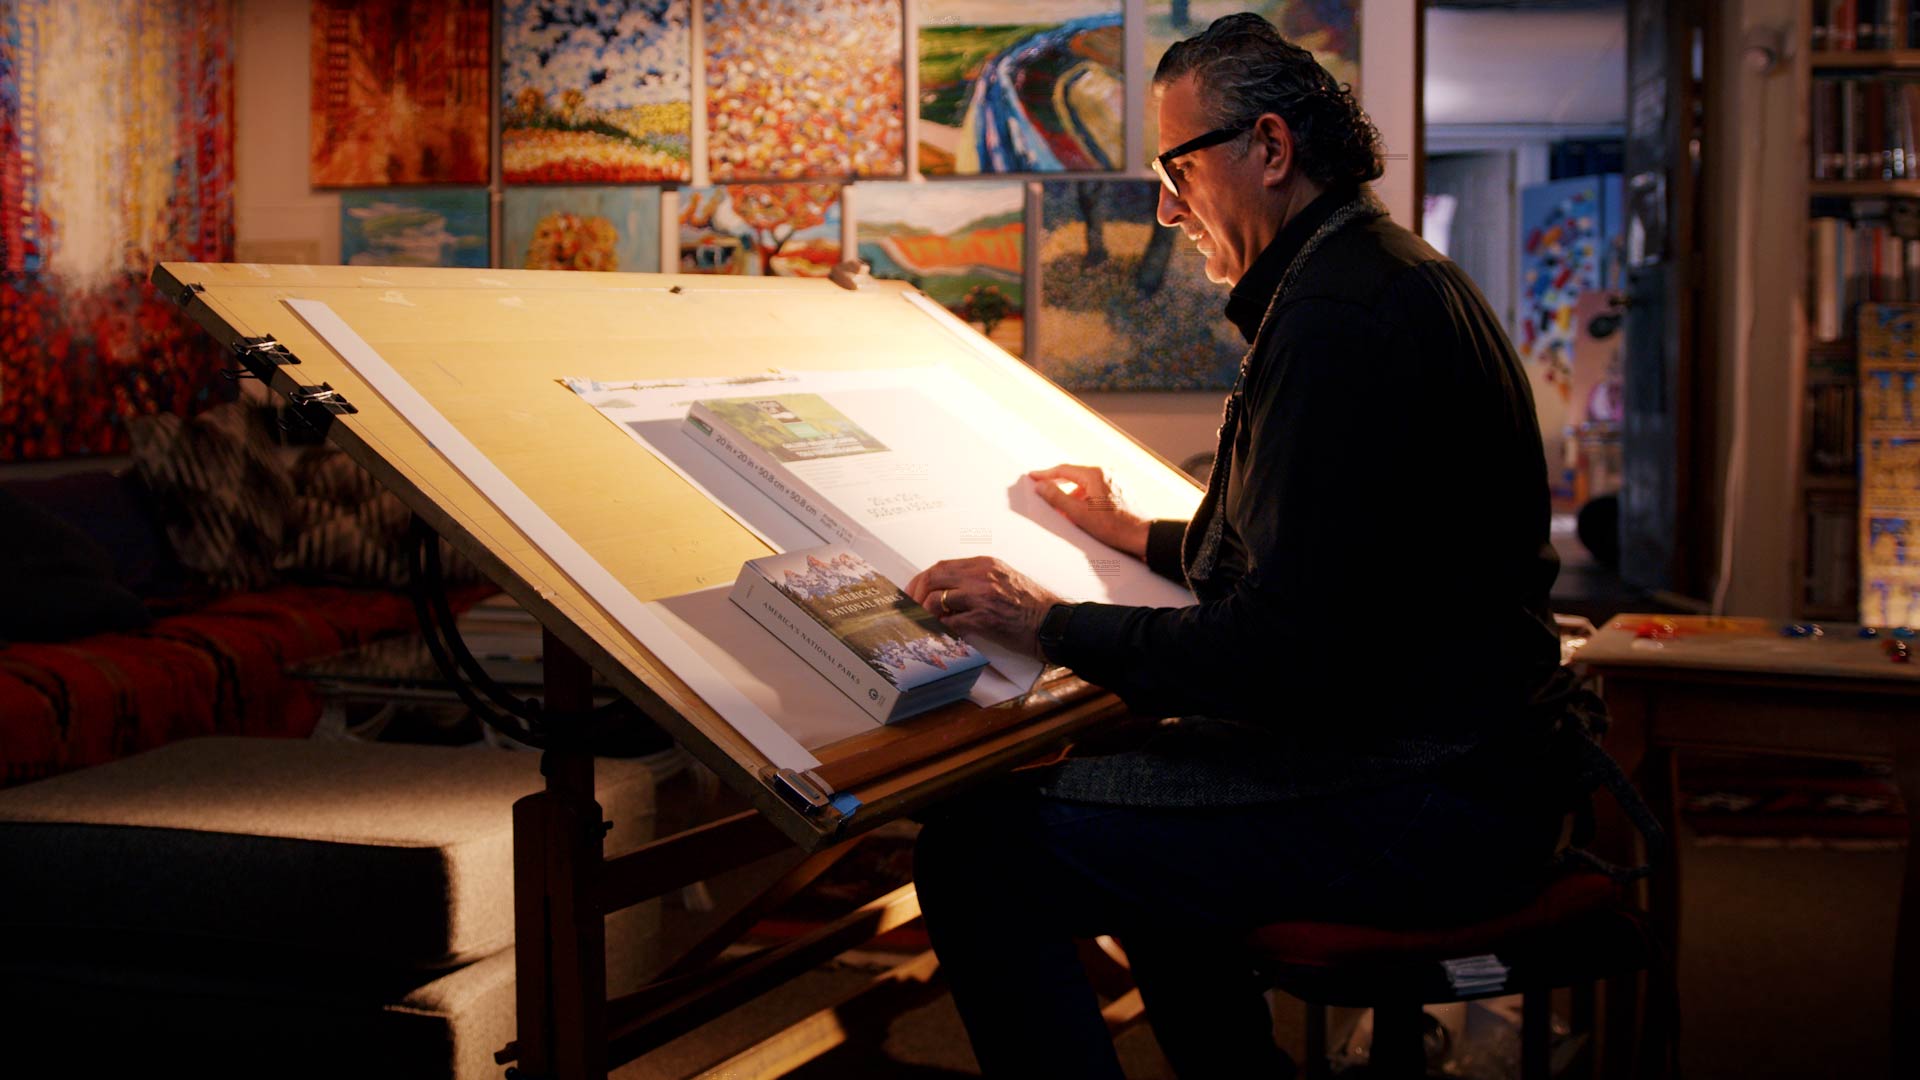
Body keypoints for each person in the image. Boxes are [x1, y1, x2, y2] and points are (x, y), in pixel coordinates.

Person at [902, 14, 1587, 1078]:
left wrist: (1047, 621)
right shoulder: (1367, 274)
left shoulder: (1341, 317)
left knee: (978, 853)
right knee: (1127, 768)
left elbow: (1282, 651)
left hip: (1431, 803)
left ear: (1270, 149)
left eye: (1177, 167)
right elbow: (1324, 554)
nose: (1167, 206)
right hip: (1472, 773)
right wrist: (1133, 535)